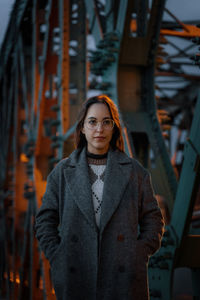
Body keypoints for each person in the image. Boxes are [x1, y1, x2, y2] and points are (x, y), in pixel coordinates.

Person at [35, 94, 164, 300]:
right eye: (92, 122)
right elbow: (44, 220)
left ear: (114, 128)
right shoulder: (62, 171)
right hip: (75, 271)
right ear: (83, 128)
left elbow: (153, 219)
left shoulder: (134, 172)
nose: (99, 129)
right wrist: (57, 254)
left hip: (123, 277)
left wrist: (138, 253)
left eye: (106, 122)